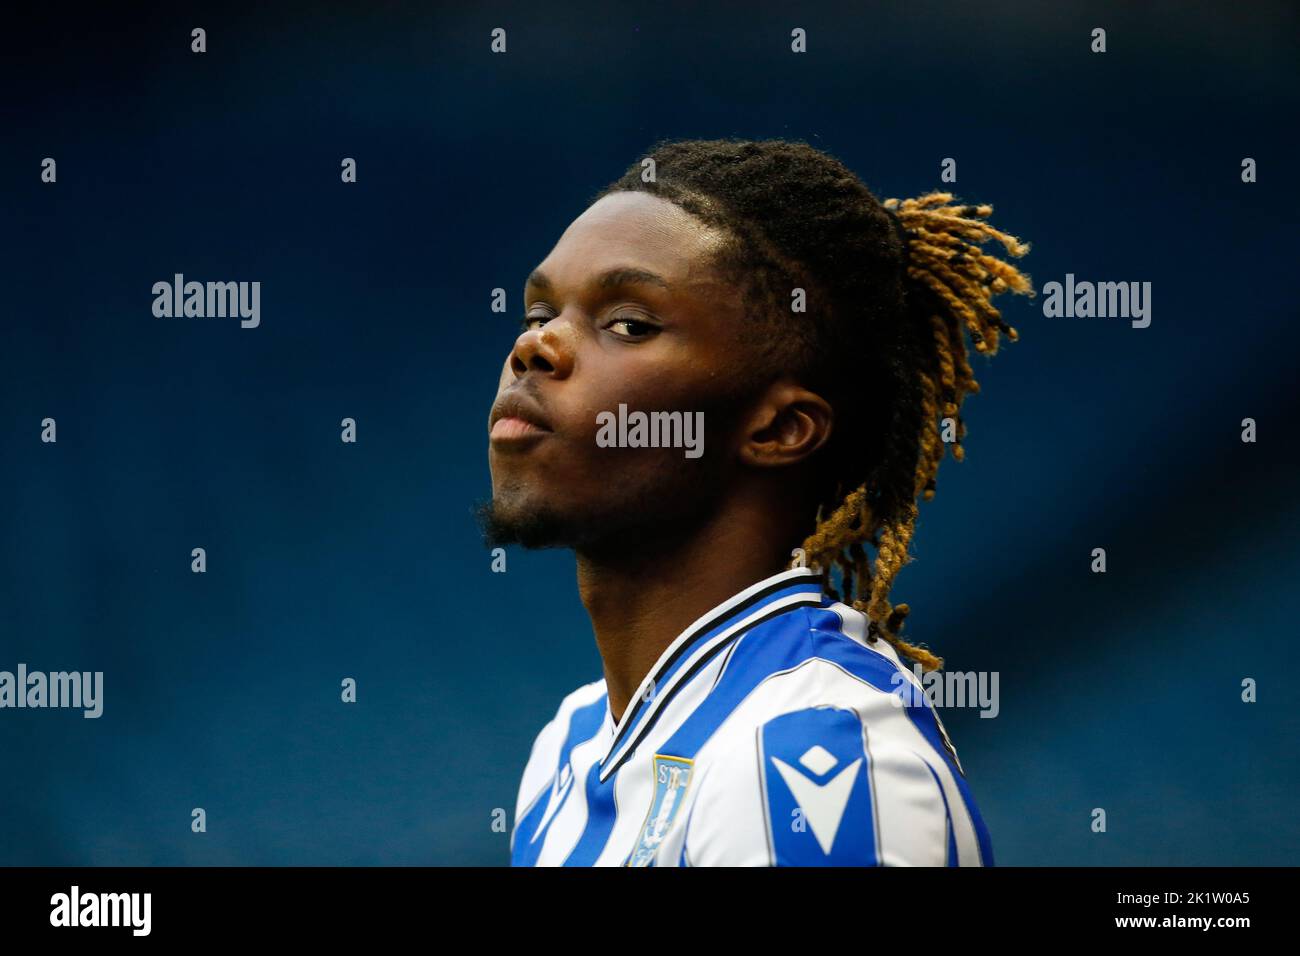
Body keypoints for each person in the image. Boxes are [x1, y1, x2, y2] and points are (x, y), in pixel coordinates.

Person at [481, 137, 1033, 866]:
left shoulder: (812, 753)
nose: (538, 347)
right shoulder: (571, 745)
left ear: (777, 429)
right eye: (537, 312)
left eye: (628, 323)